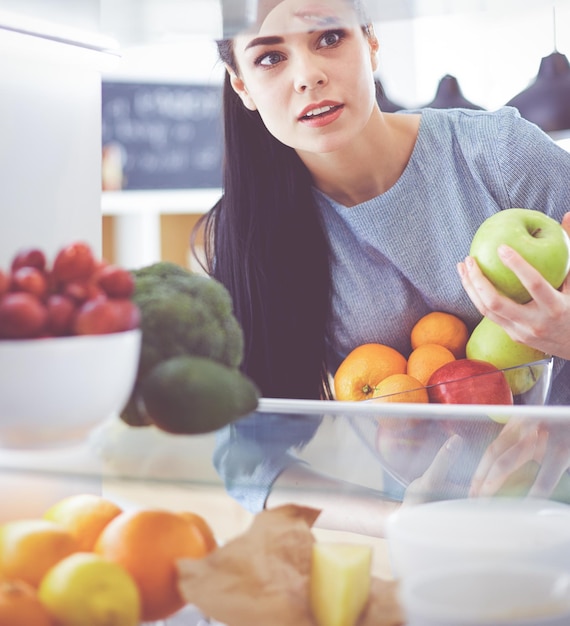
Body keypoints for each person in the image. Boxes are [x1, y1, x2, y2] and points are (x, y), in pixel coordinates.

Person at [192, 0, 570, 536]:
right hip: (436, 546)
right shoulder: (253, 237)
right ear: (242, 87)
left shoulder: (499, 154)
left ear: (370, 40)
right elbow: (247, 460)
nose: (309, 76)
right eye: (271, 58)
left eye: (327, 39)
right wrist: (397, 521)